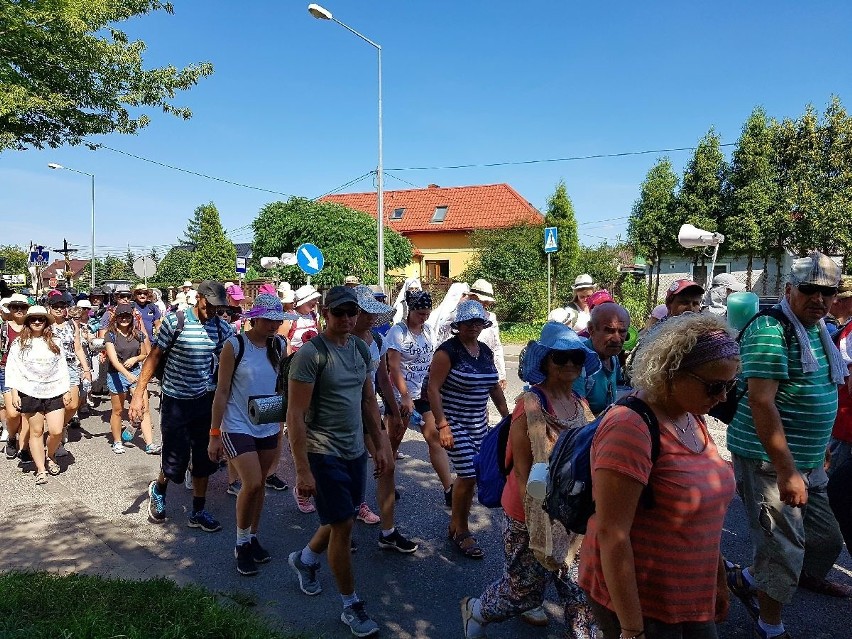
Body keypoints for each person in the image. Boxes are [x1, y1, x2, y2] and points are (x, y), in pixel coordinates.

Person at [579, 313, 738, 639]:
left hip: (690, 594)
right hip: (644, 602)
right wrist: (632, 629)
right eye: (715, 386)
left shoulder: (693, 415)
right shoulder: (630, 427)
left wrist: (717, 582)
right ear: (671, 374)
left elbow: (703, 518)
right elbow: (612, 534)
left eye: (731, 385)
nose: (723, 397)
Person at [726, 252, 850, 639]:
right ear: (789, 289)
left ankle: (747, 578)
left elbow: (821, 391)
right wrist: (786, 470)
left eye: (827, 292)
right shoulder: (770, 328)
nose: (819, 299)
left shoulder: (817, 329)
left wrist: (818, 449)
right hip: (769, 461)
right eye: (810, 290)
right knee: (781, 548)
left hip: (808, 459)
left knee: (826, 539)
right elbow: (761, 402)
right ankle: (770, 623)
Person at [461, 321, 600, 638]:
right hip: (530, 513)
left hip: (571, 514)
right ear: (545, 362)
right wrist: (544, 525)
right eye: (560, 358)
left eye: (576, 358)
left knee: (580, 591)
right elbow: (525, 474)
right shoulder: (530, 406)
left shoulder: (580, 403)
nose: (569, 365)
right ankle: (477, 611)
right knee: (523, 592)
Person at [286, 286, 392, 637]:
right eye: (339, 313)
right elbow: (296, 415)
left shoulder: (361, 348)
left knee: (338, 518)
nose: (346, 319)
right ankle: (351, 606)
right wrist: (301, 468)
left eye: (352, 313)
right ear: (325, 314)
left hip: (353, 450)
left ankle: (304, 560)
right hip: (321, 449)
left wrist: (379, 444)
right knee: (344, 524)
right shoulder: (310, 355)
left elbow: (367, 401)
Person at [131, 281, 233, 532]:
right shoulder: (174, 322)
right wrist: (138, 394)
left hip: (204, 402)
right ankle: (159, 489)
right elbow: (154, 357)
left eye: (219, 307)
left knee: (204, 459)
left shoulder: (222, 328)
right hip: (176, 400)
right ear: (198, 298)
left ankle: (198, 511)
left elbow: (232, 360)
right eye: (210, 305)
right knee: (174, 459)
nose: (213, 311)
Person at [209, 294, 286, 576]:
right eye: (268, 319)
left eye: (277, 319)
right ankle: (241, 543)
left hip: (267, 422)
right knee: (251, 482)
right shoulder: (235, 345)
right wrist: (215, 434)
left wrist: (281, 423)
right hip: (236, 424)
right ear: (254, 319)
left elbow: (280, 386)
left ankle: (253, 536)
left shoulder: (280, 344)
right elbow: (222, 391)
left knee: (260, 484)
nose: (274, 325)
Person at [428, 300, 509, 559]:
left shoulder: (484, 351)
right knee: (468, 472)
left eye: (479, 322)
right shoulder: (447, 352)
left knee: (477, 473)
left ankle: (456, 522)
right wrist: (442, 425)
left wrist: (508, 417)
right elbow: (433, 389)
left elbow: (494, 387)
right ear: (458, 325)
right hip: (453, 422)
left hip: (479, 424)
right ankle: (462, 530)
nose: (474, 327)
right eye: (469, 322)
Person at [386, 289, 454, 506]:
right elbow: (393, 368)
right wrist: (405, 396)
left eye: (427, 313)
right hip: (400, 395)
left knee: (434, 437)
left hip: (424, 393)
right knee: (393, 441)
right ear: (410, 310)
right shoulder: (397, 333)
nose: (424, 317)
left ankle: (449, 488)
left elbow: (433, 362)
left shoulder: (428, 331)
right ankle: (387, 483)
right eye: (420, 313)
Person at [5, 305, 72, 485]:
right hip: (29, 391)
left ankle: (50, 455)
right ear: (28, 321)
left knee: (56, 430)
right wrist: (14, 392)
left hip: (54, 390)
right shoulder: (19, 343)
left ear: (45, 322)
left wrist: (66, 389)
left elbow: (62, 366)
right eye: (33, 319)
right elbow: (12, 368)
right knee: (36, 431)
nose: (37, 322)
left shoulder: (55, 341)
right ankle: (41, 469)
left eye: (40, 319)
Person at [103, 303, 160, 455]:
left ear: (132, 318)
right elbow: (113, 360)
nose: (124, 319)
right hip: (116, 374)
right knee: (118, 410)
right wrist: (126, 374)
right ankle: (117, 441)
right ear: (116, 318)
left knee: (144, 408)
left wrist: (135, 359)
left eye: (127, 316)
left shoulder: (138, 334)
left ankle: (149, 443)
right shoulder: (110, 335)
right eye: (121, 316)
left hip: (136, 372)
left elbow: (144, 354)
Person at [47, 291, 89, 448]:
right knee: (56, 403)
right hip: (51, 368)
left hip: (70, 366)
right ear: (49, 308)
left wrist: (86, 369)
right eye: (55, 306)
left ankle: (62, 425)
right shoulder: (45, 324)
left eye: (62, 306)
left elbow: (78, 348)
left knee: (73, 404)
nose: (59, 309)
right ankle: (55, 434)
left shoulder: (72, 324)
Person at [575, 304, 630, 416]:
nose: (616, 339)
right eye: (609, 331)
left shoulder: (613, 356)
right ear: (591, 329)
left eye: (622, 331)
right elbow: (578, 416)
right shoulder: (577, 361)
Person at [1, 293, 30, 460]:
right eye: (15, 307)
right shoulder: (3, 328)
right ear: (9, 309)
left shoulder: (33, 326)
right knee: (13, 413)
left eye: (22, 307)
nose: (19, 310)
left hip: (28, 373)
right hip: (6, 371)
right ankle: (12, 438)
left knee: (27, 412)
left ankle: (24, 446)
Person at [467, 279, 507, 390]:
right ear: (472, 297)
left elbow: (496, 346)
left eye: (486, 302)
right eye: (482, 300)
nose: (485, 304)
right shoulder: (460, 316)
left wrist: (501, 374)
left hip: (485, 367)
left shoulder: (491, 318)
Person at [282, 285, 321, 354]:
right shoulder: (288, 318)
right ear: (303, 302)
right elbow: (281, 343)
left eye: (316, 299)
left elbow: (321, 337)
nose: (316, 302)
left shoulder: (315, 317)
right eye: (313, 299)